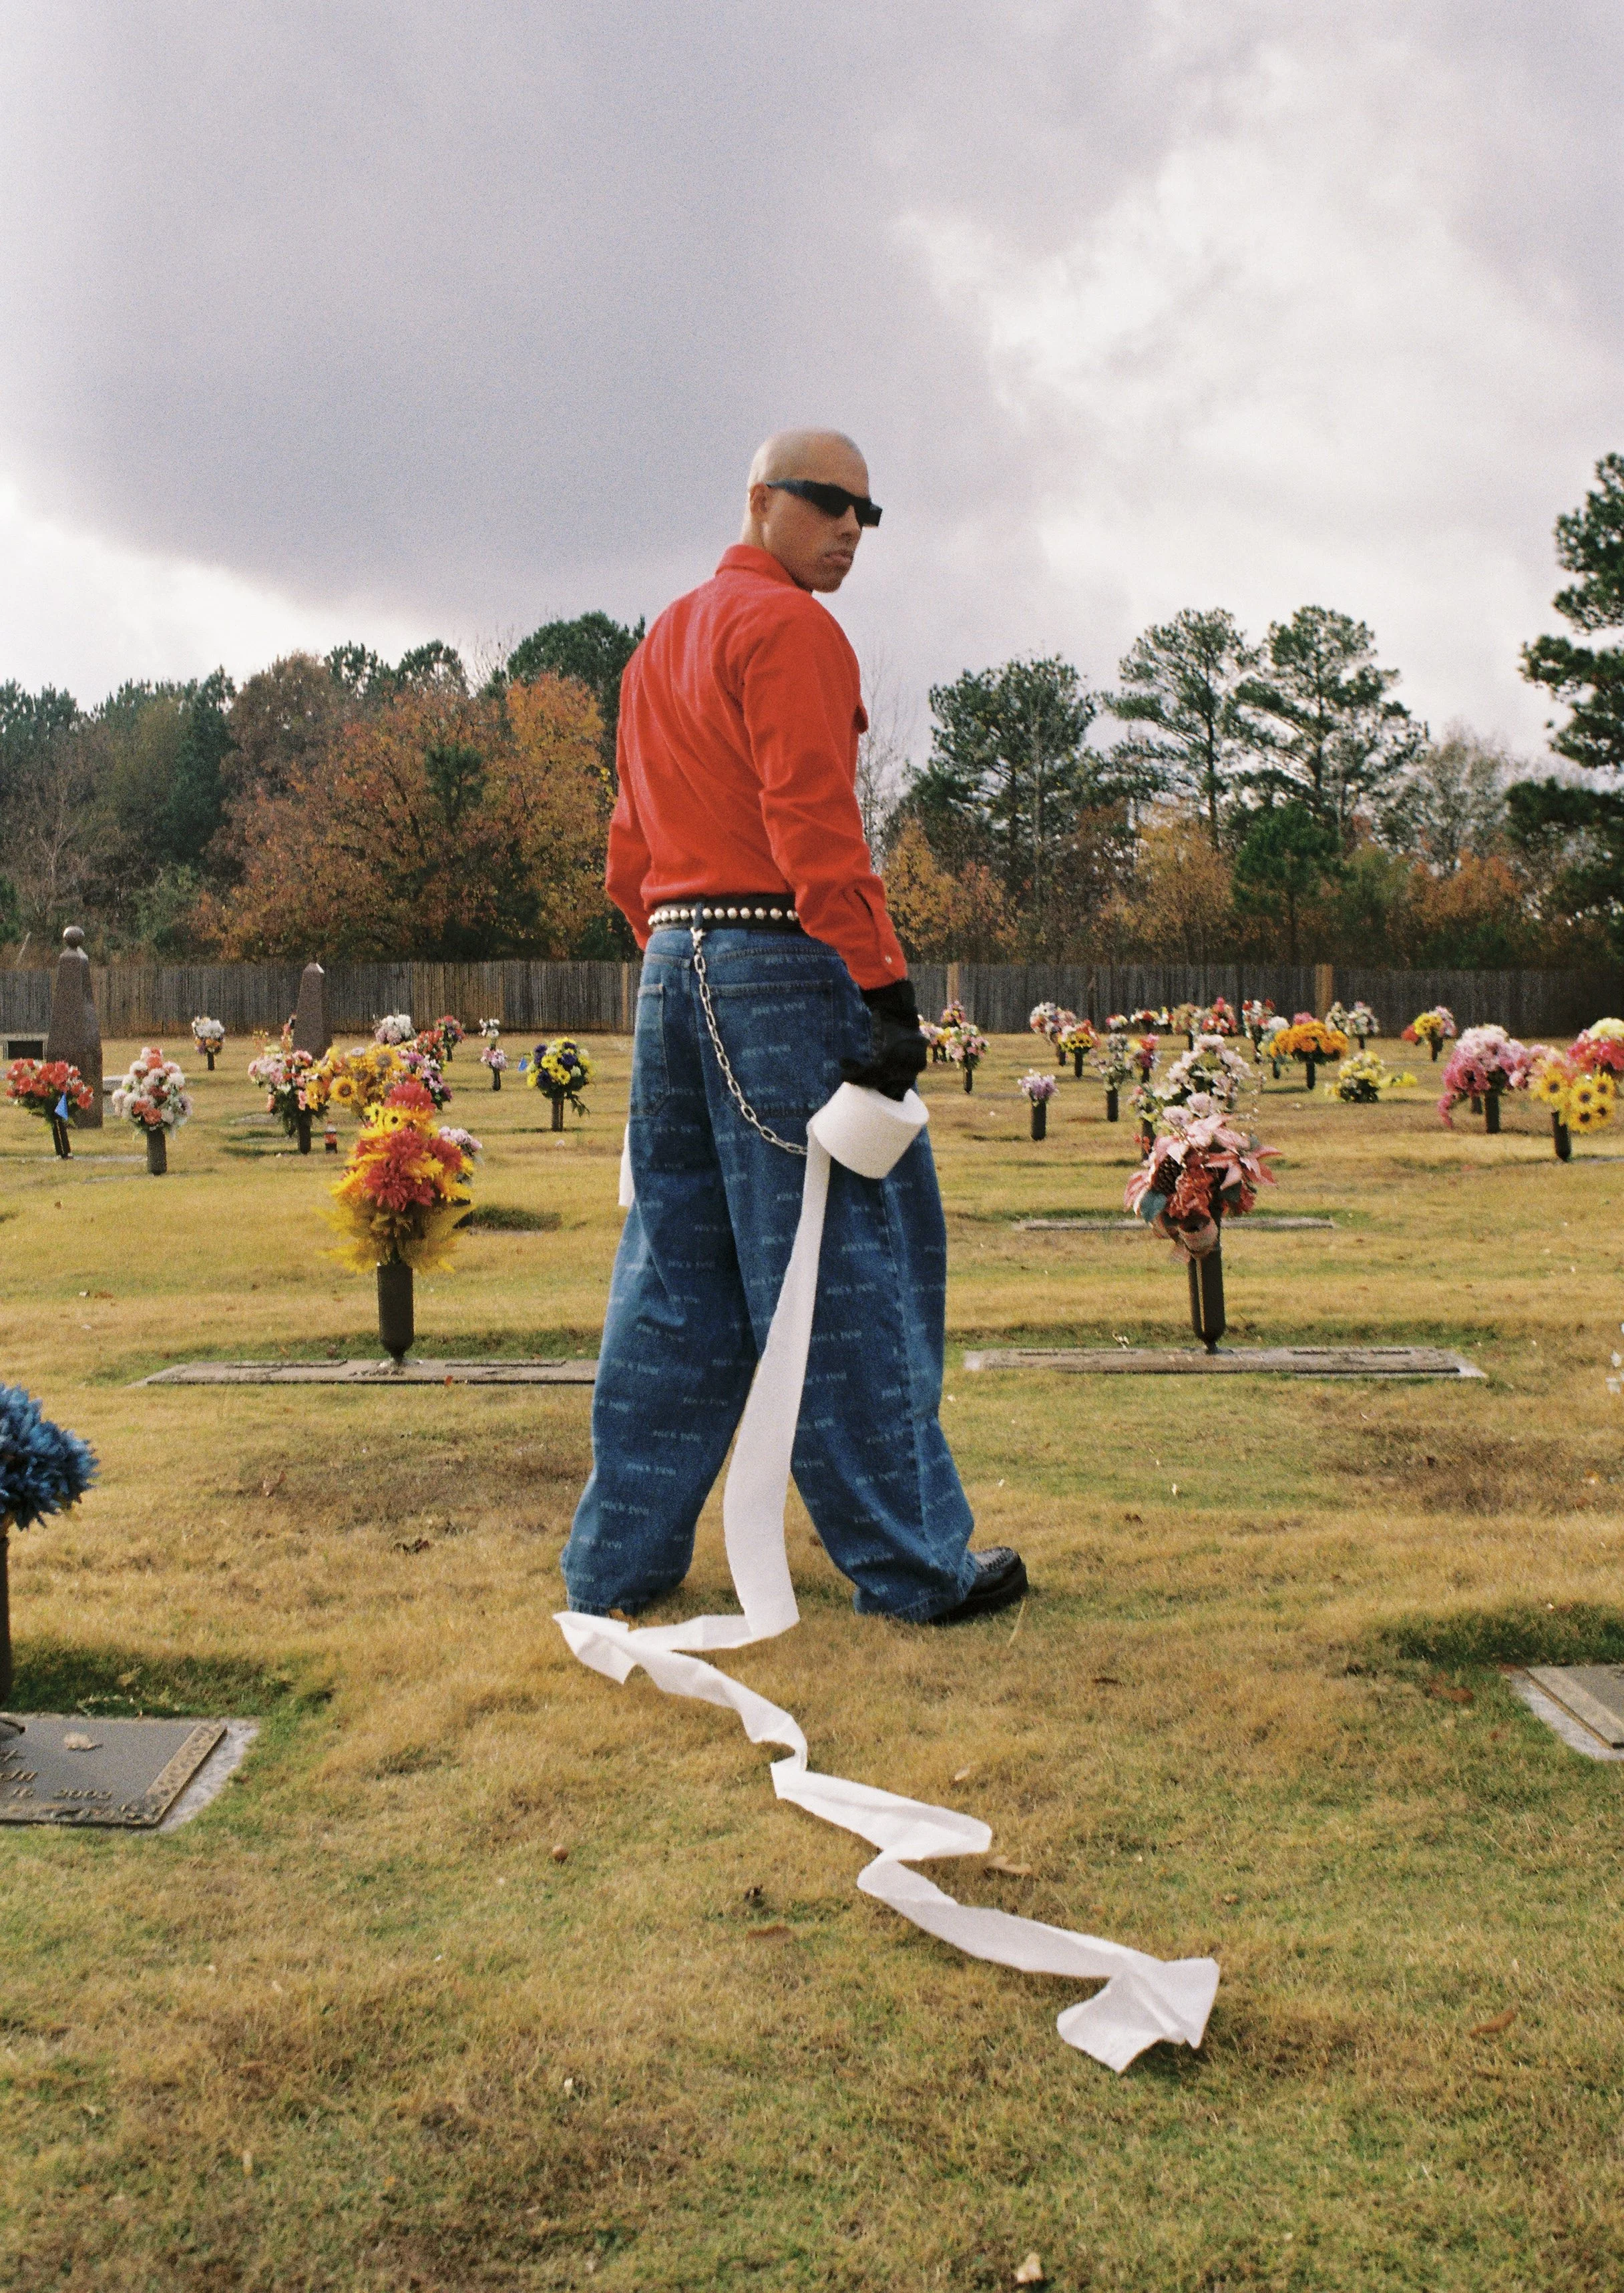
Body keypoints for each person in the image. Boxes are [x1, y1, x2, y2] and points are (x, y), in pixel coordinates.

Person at [562, 429, 1027, 1626]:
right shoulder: (792, 630)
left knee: (674, 1274)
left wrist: (679, 960)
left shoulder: (661, 641)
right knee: (844, 1264)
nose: (850, 529)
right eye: (828, 502)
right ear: (762, 499)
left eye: (869, 513)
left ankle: (617, 1563)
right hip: (777, 956)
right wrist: (882, 988)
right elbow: (814, 821)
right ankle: (914, 1565)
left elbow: (627, 851)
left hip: (673, 961)